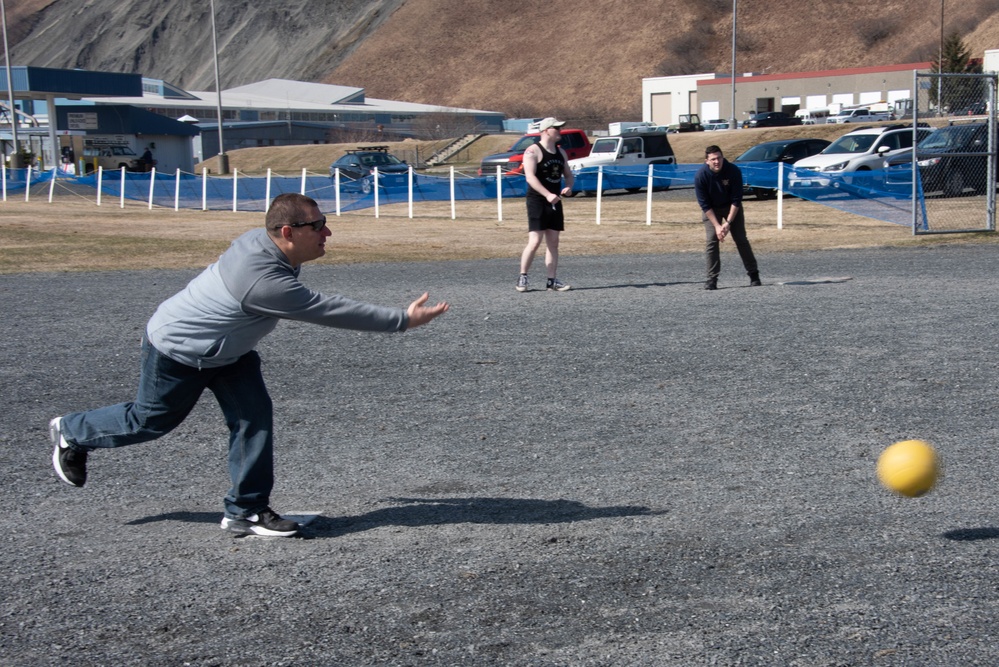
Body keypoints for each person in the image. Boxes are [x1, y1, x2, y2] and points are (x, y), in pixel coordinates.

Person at [49, 193, 450, 538]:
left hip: (229, 353)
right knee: (149, 421)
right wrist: (401, 319)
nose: (328, 232)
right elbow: (328, 310)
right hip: (179, 350)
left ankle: (246, 511)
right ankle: (72, 431)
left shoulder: (265, 242)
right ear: (288, 232)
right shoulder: (264, 283)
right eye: (319, 225)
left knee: (253, 420)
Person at [516, 117, 575, 292]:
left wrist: (569, 188)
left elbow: (569, 175)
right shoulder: (532, 151)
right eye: (556, 128)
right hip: (538, 200)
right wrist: (547, 194)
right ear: (546, 130)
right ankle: (523, 277)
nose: (559, 131)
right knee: (535, 241)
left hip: (555, 200)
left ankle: (552, 280)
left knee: (553, 242)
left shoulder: (561, 152)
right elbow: (530, 177)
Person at [694, 145, 761, 290]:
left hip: (731, 207)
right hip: (712, 210)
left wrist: (728, 222)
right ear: (707, 161)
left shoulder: (733, 171)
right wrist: (718, 226)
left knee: (741, 239)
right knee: (712, 241)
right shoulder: (701, 176)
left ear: (723, 157)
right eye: (713, 159)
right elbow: (704, 205)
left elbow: (737, 199)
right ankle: (712, 279)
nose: (717, 162)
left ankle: (754, 275)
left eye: (719, 158)